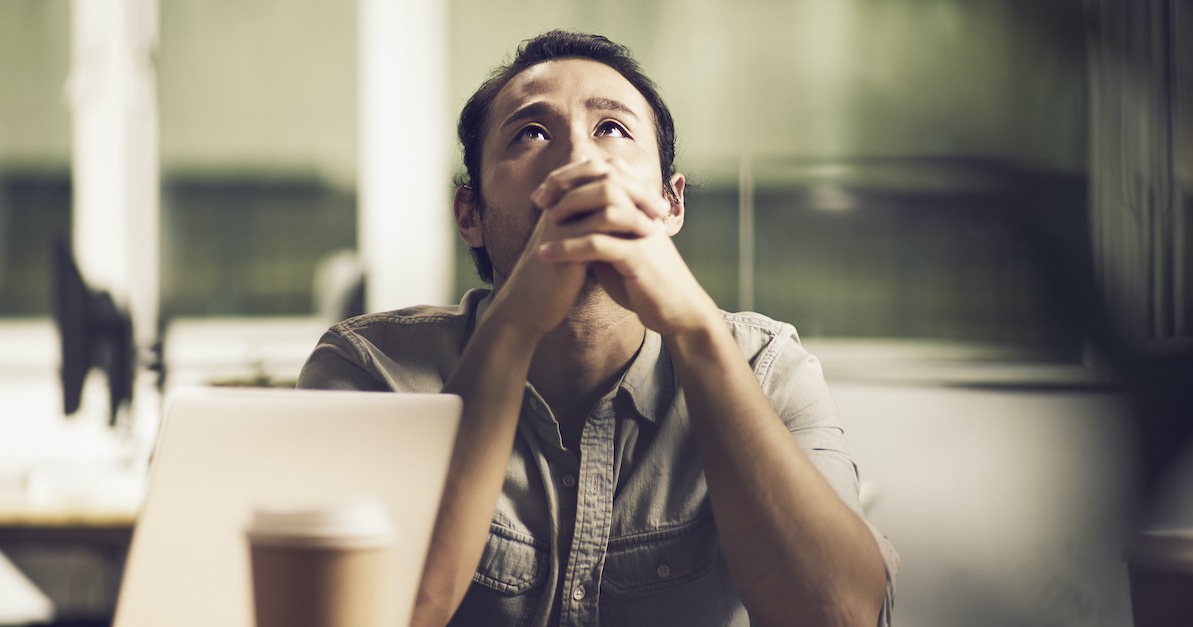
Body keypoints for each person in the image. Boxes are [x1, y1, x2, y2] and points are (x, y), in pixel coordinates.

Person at [298, 30, 899, 627]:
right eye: (531, 133)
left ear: (671, 205)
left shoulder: (768, 367)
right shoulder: (365, 368)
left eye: (612, 128)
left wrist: (694, 329)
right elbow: (371, 614)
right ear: (470, 215)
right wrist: (514, 325)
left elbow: (840, 616)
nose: (580, 160)